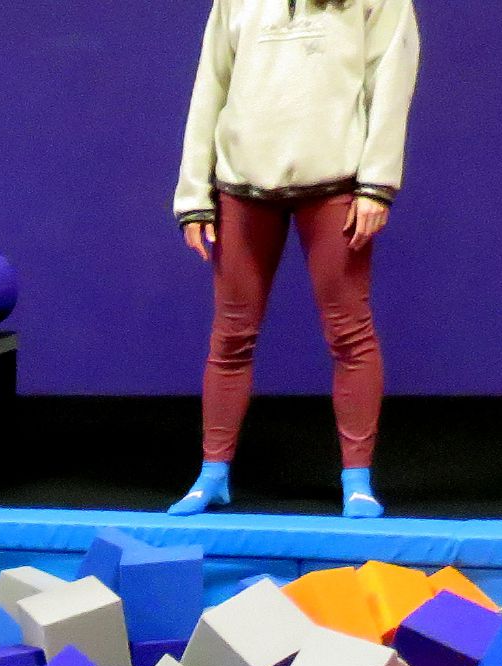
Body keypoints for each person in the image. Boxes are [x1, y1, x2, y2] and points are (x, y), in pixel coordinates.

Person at [170, 0, 421, 520]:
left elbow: (390, 81)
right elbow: (210, 86)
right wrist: (193, 191)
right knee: (231, 333)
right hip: (241, 183)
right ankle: (213, 472)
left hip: (335, 183)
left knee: (349, 331)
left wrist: (378, 183)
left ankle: (357, 479)